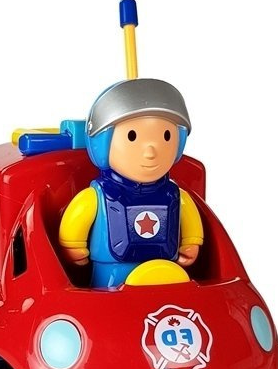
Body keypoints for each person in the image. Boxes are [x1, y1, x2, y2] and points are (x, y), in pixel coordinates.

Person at [59, 78, 203, 288]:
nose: (150, 151)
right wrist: (73, 245)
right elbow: (77, 217)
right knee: (109, 297)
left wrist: (191, 242)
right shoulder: (98, 195)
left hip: (166, 271)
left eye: (166, 136)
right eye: (132, 136)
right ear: (103, 144)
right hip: (112, 273)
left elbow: (189, 218)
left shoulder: (175, 195)